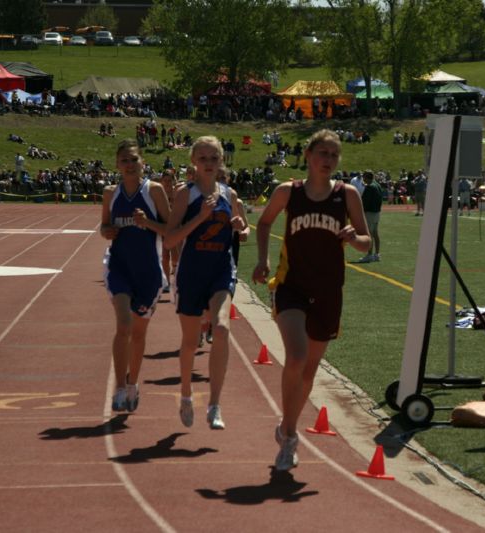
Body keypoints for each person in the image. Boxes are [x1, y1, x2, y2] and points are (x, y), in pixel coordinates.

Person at [252, 129, 370, 471]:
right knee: (297, 356)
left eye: (334, 155)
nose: (328, 160)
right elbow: (263, 223)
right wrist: (263, 260)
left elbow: (366, 242)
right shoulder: (289, 192)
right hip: (292, 286)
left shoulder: (346, 195)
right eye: (323, 153)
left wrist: (355, 237)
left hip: (329, 290)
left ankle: (286, 425)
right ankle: (289, 435)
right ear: (308, 155)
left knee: (309, 372)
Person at [164, 136, 246, 430]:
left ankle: (214, 404)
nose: (209, 164)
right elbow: (170, 239)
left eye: (214, 158)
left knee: (222, 327)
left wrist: (240, 227)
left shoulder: (230, 194)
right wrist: (200, 218)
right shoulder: (184, 194)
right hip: (191, 273)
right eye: (203, 158)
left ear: (221, 160)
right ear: (193, 162)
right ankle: (186, 393)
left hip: (221, 270)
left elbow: (242, 229)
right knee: (189, 342)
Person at [101, 139, 171, 413]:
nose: (130, 165)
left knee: (139, 334)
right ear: (117, 165)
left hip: (149, 273)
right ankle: (119, 388)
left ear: (143, 162)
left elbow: (170, 230)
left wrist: (148, 223)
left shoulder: (153, 191)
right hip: (119, 266)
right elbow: (103, 226)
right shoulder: (110, 193)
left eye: (134, 160)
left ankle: (133, 384)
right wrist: (106, 231)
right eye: (124, 161)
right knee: (123, 326)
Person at [358, 170, 382, 262]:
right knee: (375, 233)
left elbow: (364, 202)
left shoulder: (370, 187)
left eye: (364, 177)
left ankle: (369, 255)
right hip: (377, 213)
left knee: (369, 234)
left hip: (370, 213)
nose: (363, 179)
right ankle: (377, 254)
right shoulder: (377, 185)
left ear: (367, 177)